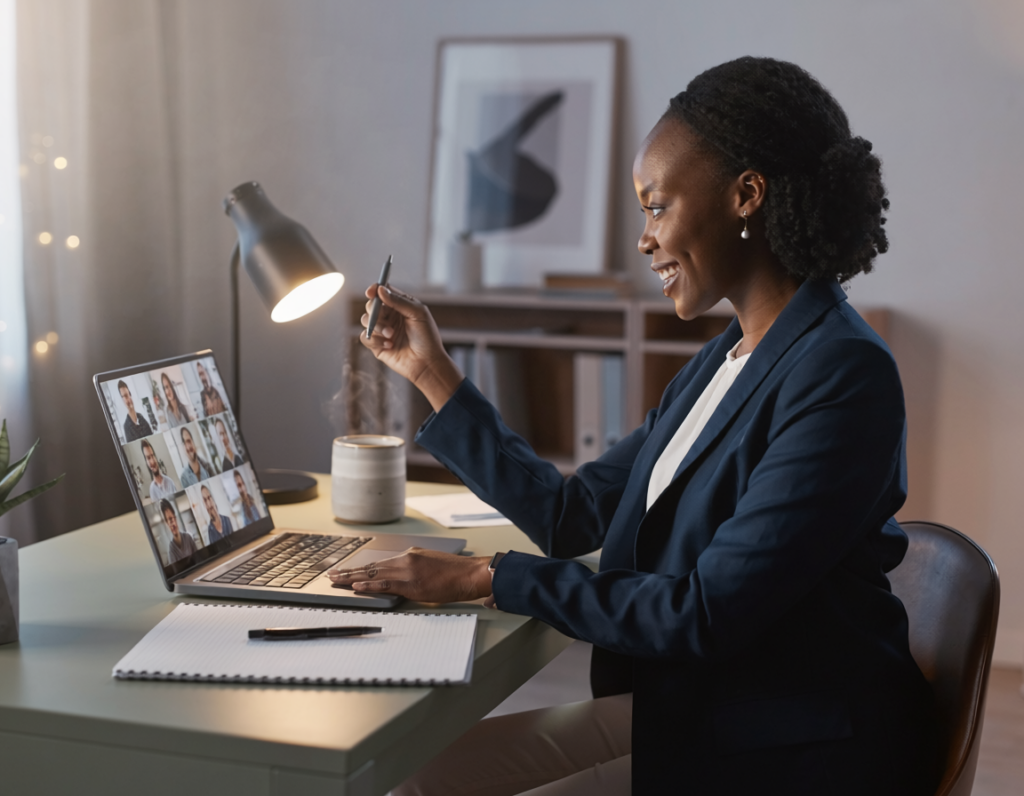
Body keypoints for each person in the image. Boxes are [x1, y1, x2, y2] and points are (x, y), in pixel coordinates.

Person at [329, 57, 938, 796]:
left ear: (746, 195)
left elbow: (705, 613)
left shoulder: (843, 375)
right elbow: (571, 514)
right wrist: (431, 373)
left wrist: (488, 578)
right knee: (414, 781)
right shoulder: (723, 361)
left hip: (793, 746)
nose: (644, 240)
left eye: (657, 207)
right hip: (700, 710)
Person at [142, 438, 178, 502]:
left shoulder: (170, 482)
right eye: (148, 458)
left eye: (152, 456)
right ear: (146, 462)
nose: (152, 461)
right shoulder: (152, 490)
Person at [161, 499, 196, 564]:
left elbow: (199, 558)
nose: (172, 524)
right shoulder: (171, 551)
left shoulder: (188, 538)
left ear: (175, 518)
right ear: (167, 524)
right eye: (169, 521)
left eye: (171, 519)